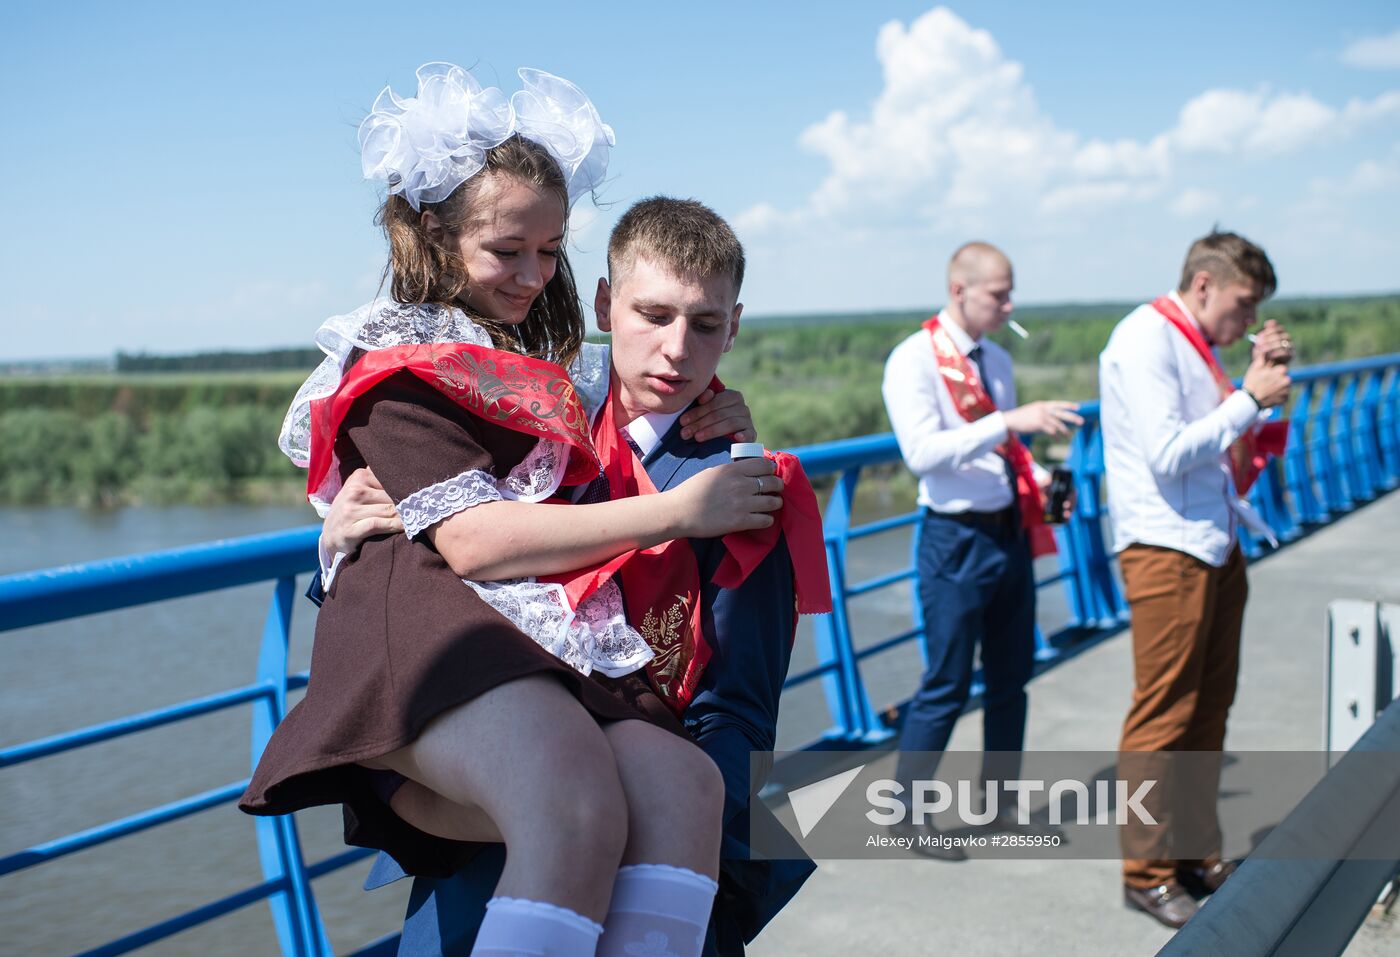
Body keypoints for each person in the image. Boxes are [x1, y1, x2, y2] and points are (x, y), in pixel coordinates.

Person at [238, 64, 786, 957]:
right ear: (433, 230)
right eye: (508, 250)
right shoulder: (398, 362)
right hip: (438, 635)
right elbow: (470, 538)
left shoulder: (550, 365)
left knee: (685, 787)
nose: (533, 275)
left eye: (551, 250)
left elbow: (618, 393)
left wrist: (720, 419)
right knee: (571, 798)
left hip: (522, 637)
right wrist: (684, 510)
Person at [328, 197, 827, 956]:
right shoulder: (524, 423)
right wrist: (340, 535)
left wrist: (658, 823)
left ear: (734, 327)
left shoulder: (742, 489)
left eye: (704, 324)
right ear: (603, 304)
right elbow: (421, 576)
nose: (676, 350)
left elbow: (738, 718)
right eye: (652, 315)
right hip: (481, 837)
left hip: (652, 846)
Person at [1100, 230, 1292, 928]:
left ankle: (1194, 851)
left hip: (1213, 540)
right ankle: (1147, 874)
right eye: (1243, 304)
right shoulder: (1144, 339)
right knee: (1163, 716)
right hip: (1166, 546)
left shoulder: (1191, 340)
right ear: (1204, 285)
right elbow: (1168, 453)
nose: (1248, 319)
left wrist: (1256, 380)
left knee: (1209, 709)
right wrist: (1249, 397)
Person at [881, 241, 1082, 858]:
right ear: (959, 289)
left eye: (1009, 293)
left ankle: (999, 807)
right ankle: (906, 817)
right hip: (954, 539)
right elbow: (922, 454)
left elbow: (996, 453)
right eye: (999, 294)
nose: (1008, 304)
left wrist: (1040, 481)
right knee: (946, 681)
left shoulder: (995, 359)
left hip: (1006, 532)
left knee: (1010, 678)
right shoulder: (913, 359)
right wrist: (1009, 421)